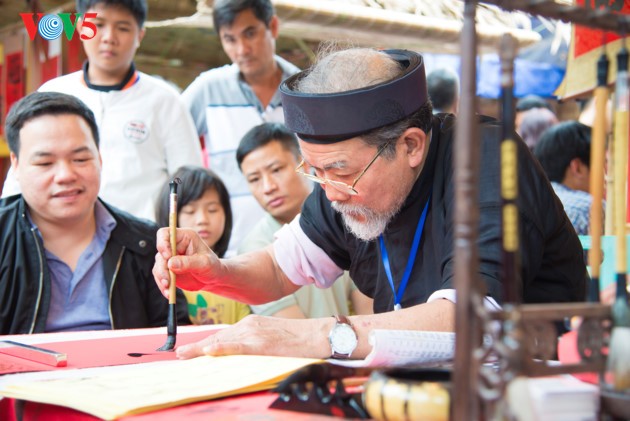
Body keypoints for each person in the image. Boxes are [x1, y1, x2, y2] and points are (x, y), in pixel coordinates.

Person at [153, 47, 587, 360]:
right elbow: (277, 268)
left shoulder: (487, 161)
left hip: (522, 386)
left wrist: (316, 336)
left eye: (341, 172)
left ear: (411, 146)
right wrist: (216, 273)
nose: (330, 191)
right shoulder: (337, 182)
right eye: (314, 171)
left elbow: (473, 321)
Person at [0, 91, 189, 334]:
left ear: (99, 158)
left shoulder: (144, 244)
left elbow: (176, 335)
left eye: (80, 158)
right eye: (45, 163)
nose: (66, 175)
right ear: (16, 165)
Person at [1, 0, 204, 222]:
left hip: (142, 243)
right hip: (57, 238)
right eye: (98, 25)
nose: (109, 37)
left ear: (140, 35)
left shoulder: (165, 100)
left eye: (123, 28)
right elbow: (20, 176)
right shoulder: (53, 92)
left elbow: (189, 180)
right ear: (80, 28)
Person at [181, 0, 300, 256]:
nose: (242, 49)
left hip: (303, 247)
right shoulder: (206, 90)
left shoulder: (306, 90)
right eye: (230, 39)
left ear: (273, 26)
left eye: (250, 33)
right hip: (232, 253)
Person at [236, 122, 373, 318]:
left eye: (276, 170)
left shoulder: (344, 217)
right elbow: (291, 331)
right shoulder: (255, 248)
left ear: (305, 163)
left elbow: (369, 311)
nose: (268, 187)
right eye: (254, 179)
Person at [155, 166, 251, 325]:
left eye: (212, 210)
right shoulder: (163, 279)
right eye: (190, 211)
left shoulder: (234, 276)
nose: (202, 219)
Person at [534, 121, 593, 235]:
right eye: (603, 164)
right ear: (578, 168)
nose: (606, 176)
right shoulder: (589, 208)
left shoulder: (531, 200)